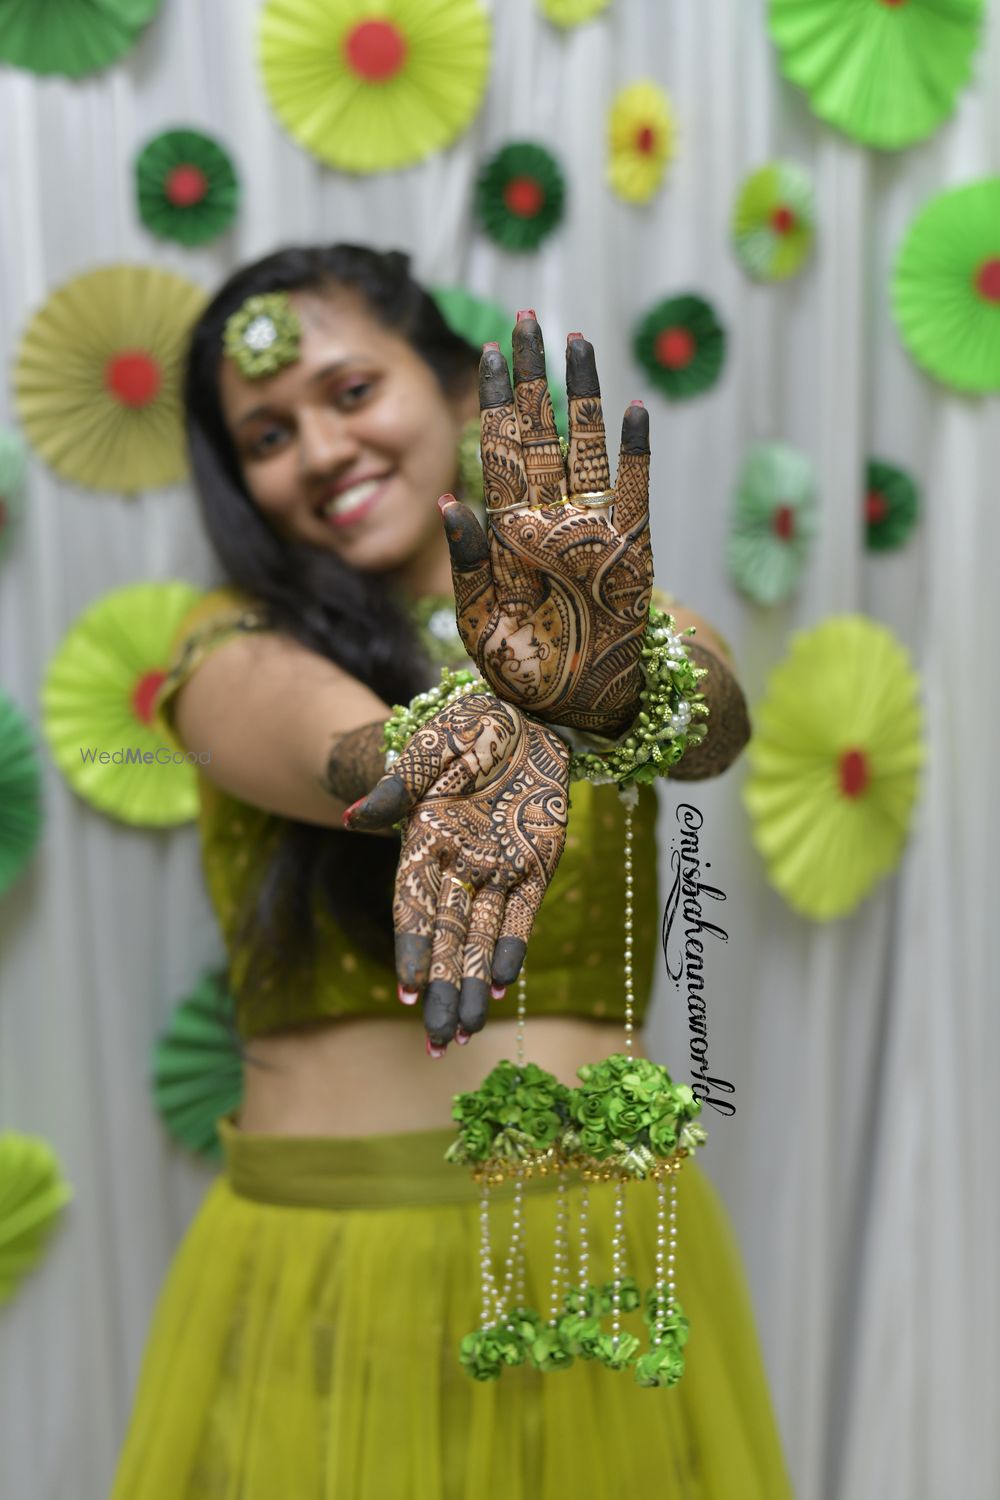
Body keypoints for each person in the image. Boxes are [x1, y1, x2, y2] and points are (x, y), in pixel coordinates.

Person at [111, 244, 792, 1498]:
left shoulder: (594, 602)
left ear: (437, 381)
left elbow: (720, 725)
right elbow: (325, 746)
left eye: (351, 390)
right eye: (265, 434)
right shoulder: (224, 642)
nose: (318, 448)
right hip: (326, 1262)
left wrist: (611, 665)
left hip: (598, 1257)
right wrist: (470, 730)